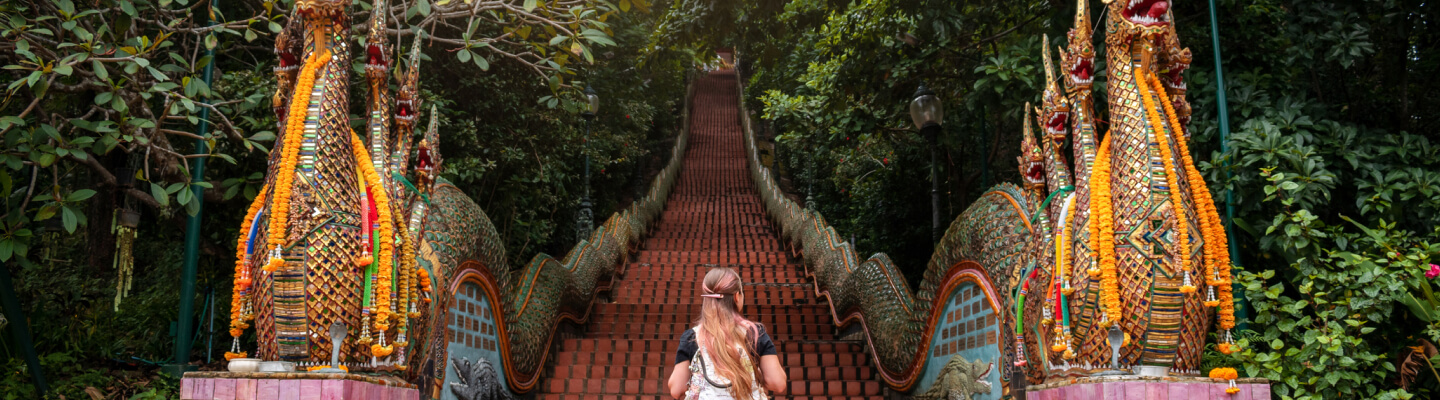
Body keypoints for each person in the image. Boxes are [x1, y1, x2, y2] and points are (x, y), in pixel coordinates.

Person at [667, 268, 787, 399]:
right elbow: (777, 383)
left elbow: (676, 389)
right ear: (737, 296)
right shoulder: (754, 333)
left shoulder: (691, 337)